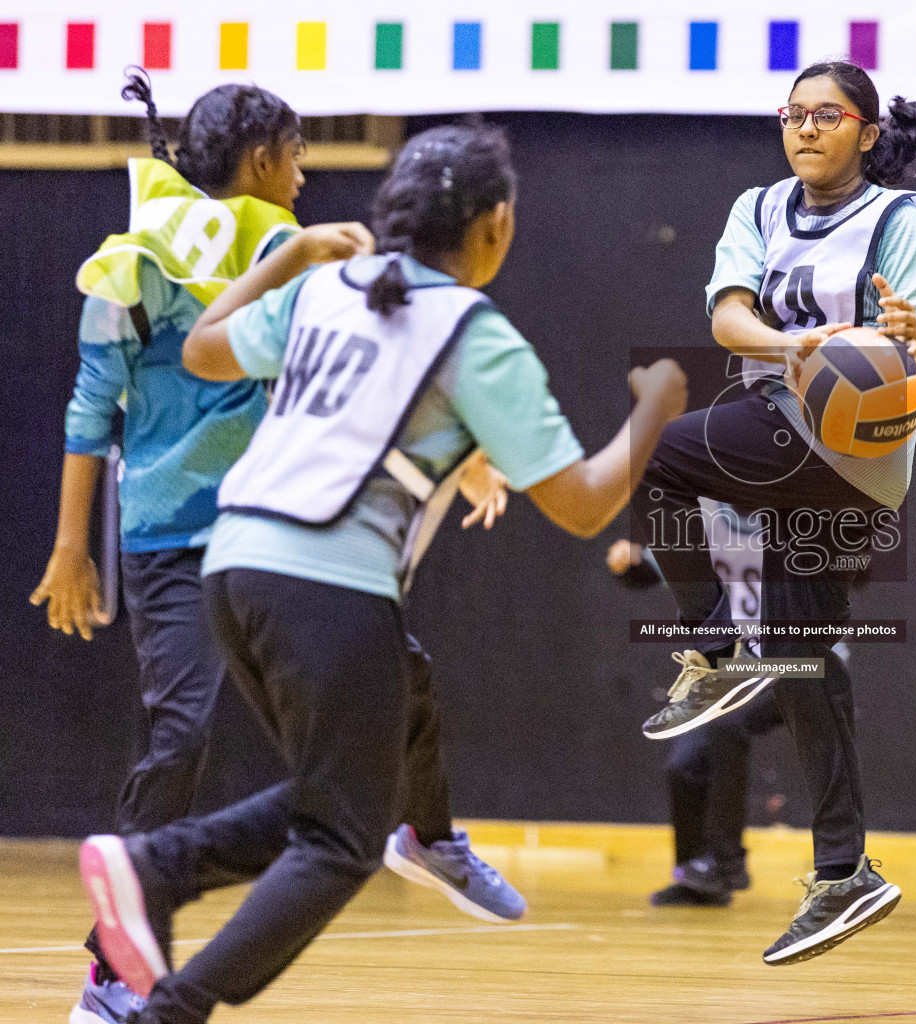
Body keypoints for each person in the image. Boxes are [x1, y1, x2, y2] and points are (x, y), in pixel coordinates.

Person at [75, 122, 687, 1023]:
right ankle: (170, 991)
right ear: (496, 225)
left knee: (346, 786)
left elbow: (203, 347)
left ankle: (157, 866)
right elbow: (586, 503)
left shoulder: (327, 288)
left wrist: (290, 260)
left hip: (233, 567)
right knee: (340, 838)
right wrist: (659, 408)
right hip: (327, 584)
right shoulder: (476, 334)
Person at [36, 75, 524, 1024]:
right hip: (178, 538)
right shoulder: (157, 262)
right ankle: (114, 971)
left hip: (276, 530)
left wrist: (471, 461)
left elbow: (375, 357)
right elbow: (92, 407)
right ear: (263, 159)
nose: (304, 177)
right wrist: (69, 547)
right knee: (184, 738)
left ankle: (427, 836)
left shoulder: (283, 262)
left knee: (403, 688)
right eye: (298, 156)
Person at [631, 59, 916, 965]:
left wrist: (902, 337)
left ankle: (715, 649)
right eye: (794, 114)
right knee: (806, 661)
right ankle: (845, 870)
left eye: (828, 114)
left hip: (855, 454)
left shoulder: (900, 220)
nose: (807, 128)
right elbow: (730, 318)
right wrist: (796, 344)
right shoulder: (759, 207)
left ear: (866, 130)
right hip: (781, 419)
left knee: (661, 455)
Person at [608, 504, 788, 908]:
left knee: (729, 726)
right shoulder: (711, 525)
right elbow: (651, 569)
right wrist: (630, 563)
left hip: (802, 664)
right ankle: (695, 877)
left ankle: (726, 864)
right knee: (684, 765)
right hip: (739, 672)